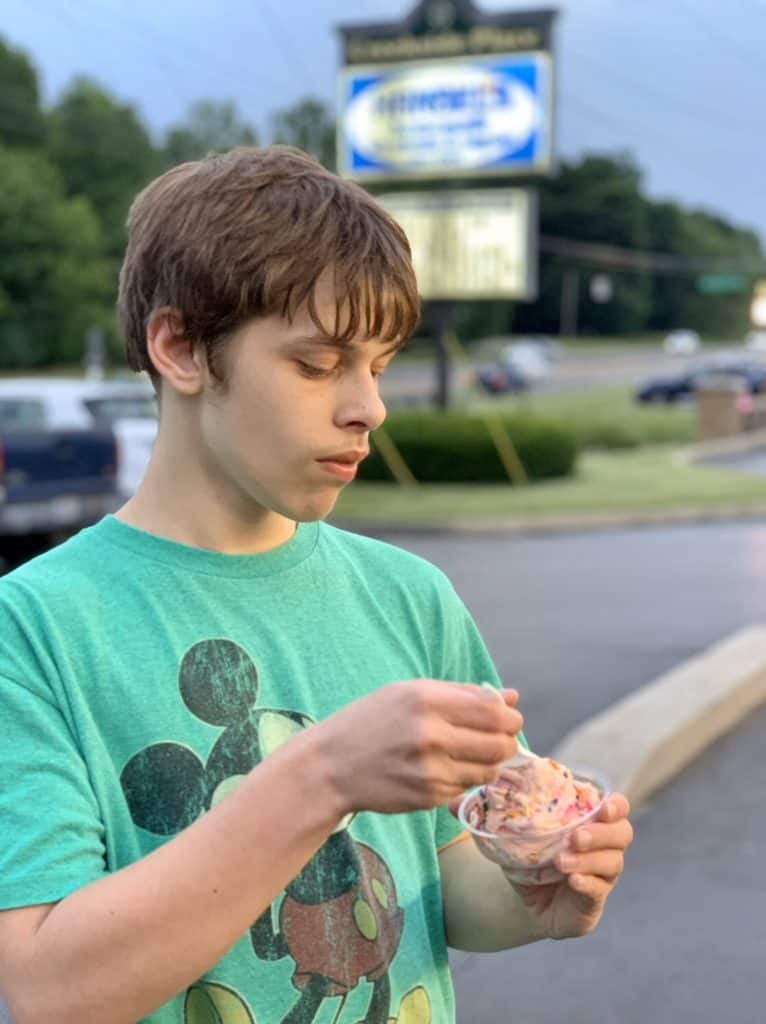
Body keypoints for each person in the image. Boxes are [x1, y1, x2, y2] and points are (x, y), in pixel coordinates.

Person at [0, 146, 633, 1024]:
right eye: (318, 362)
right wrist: (323, 776)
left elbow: (443, 870)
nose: (368, 405)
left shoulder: (411, 596)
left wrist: (536, 893)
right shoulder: (32, 629)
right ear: (179, 347)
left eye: (378, 363)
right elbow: (47, 989)